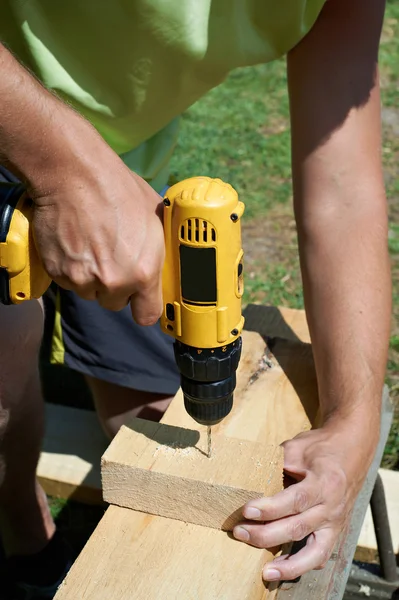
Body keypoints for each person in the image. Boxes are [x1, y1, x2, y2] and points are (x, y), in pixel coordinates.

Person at [0, 0, 391, 597]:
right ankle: (24, 538)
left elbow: (344, 194)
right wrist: (63, 169)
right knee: (5, 370)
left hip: (125, 172)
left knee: (147, 420)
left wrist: (354, 422)